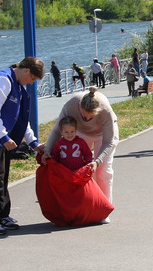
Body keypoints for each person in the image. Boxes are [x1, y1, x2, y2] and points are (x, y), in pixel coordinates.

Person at [0, 57, 45, 235]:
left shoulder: (18, 85)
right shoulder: (2, 81)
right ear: (26, 70)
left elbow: (20, 119)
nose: (31, 83)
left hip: (0, 139)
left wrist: (33, 141)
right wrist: (3, 136)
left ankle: (2, 214)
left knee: (2, 178)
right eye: (33, 79)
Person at [40, 87, 119, 219]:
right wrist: (47, 150)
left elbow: (108, 142)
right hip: (81, 133)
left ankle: (104, 209)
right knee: (81, 171)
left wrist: (97, 161)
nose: (87, 119)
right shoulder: (71, 105)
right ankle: (86, 206)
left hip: (103, 136)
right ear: (79, 106)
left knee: (103, 171)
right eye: (84, 116)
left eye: (91, 117)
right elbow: (56, 130)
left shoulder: (106, 111)